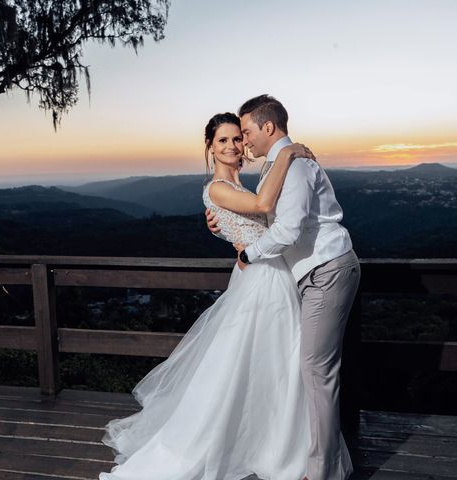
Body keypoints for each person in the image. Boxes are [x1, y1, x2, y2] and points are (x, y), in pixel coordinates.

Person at [98, 112, 315, 480]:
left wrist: (228, 232)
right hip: (260, 280)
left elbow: (252, 220)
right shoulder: (216, 187)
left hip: (266, 275)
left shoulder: (236, 186)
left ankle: (267, 441)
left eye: (236, 139)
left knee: (268, 363)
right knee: (253, 362)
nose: (232, 146)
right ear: (210, 148)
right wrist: (288, 153)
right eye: (222, 141)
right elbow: (263, 207)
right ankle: (252, 445)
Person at [208, 95, 360, 480]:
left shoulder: (292, 164)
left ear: (268, 128)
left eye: (243, 133)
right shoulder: (279, 163)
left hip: (321, 269)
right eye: (228, 138)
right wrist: (222, 225)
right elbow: (262, 211)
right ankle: (281, 447)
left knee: (313, 369)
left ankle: (320, 471)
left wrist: (249, 254)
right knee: (296, 367)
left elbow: (287, 229)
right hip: (297, 276)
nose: (241, 143)